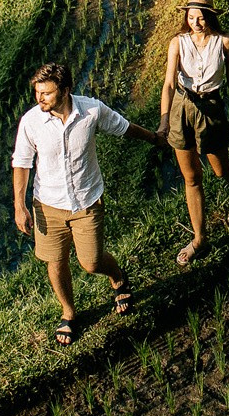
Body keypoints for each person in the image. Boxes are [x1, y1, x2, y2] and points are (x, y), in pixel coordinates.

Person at [12, 61, 161, 345]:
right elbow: (21, 163)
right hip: (47, 205)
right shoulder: (31, 122)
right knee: (55, 262)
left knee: (91, 262)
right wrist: (19, 206)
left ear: (65, 90)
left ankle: (117, 277)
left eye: (46, 93)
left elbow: (124, 127)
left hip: (87, 202)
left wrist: (154, 138)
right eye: (37, 93)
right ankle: (68, 312)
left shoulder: (91, 110)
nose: (39, 99)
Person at [162, 0, 229, 266]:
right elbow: (168, 83)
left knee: (219, 168)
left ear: (210, 17)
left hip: (211, 107)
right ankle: (199, 239)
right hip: (182, 106)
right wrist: (165, 119)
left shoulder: (224, 42)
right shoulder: (178, 42)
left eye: (201, 18)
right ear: (186, 17)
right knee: (191, 177)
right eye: (191, 17)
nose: (196, 23)